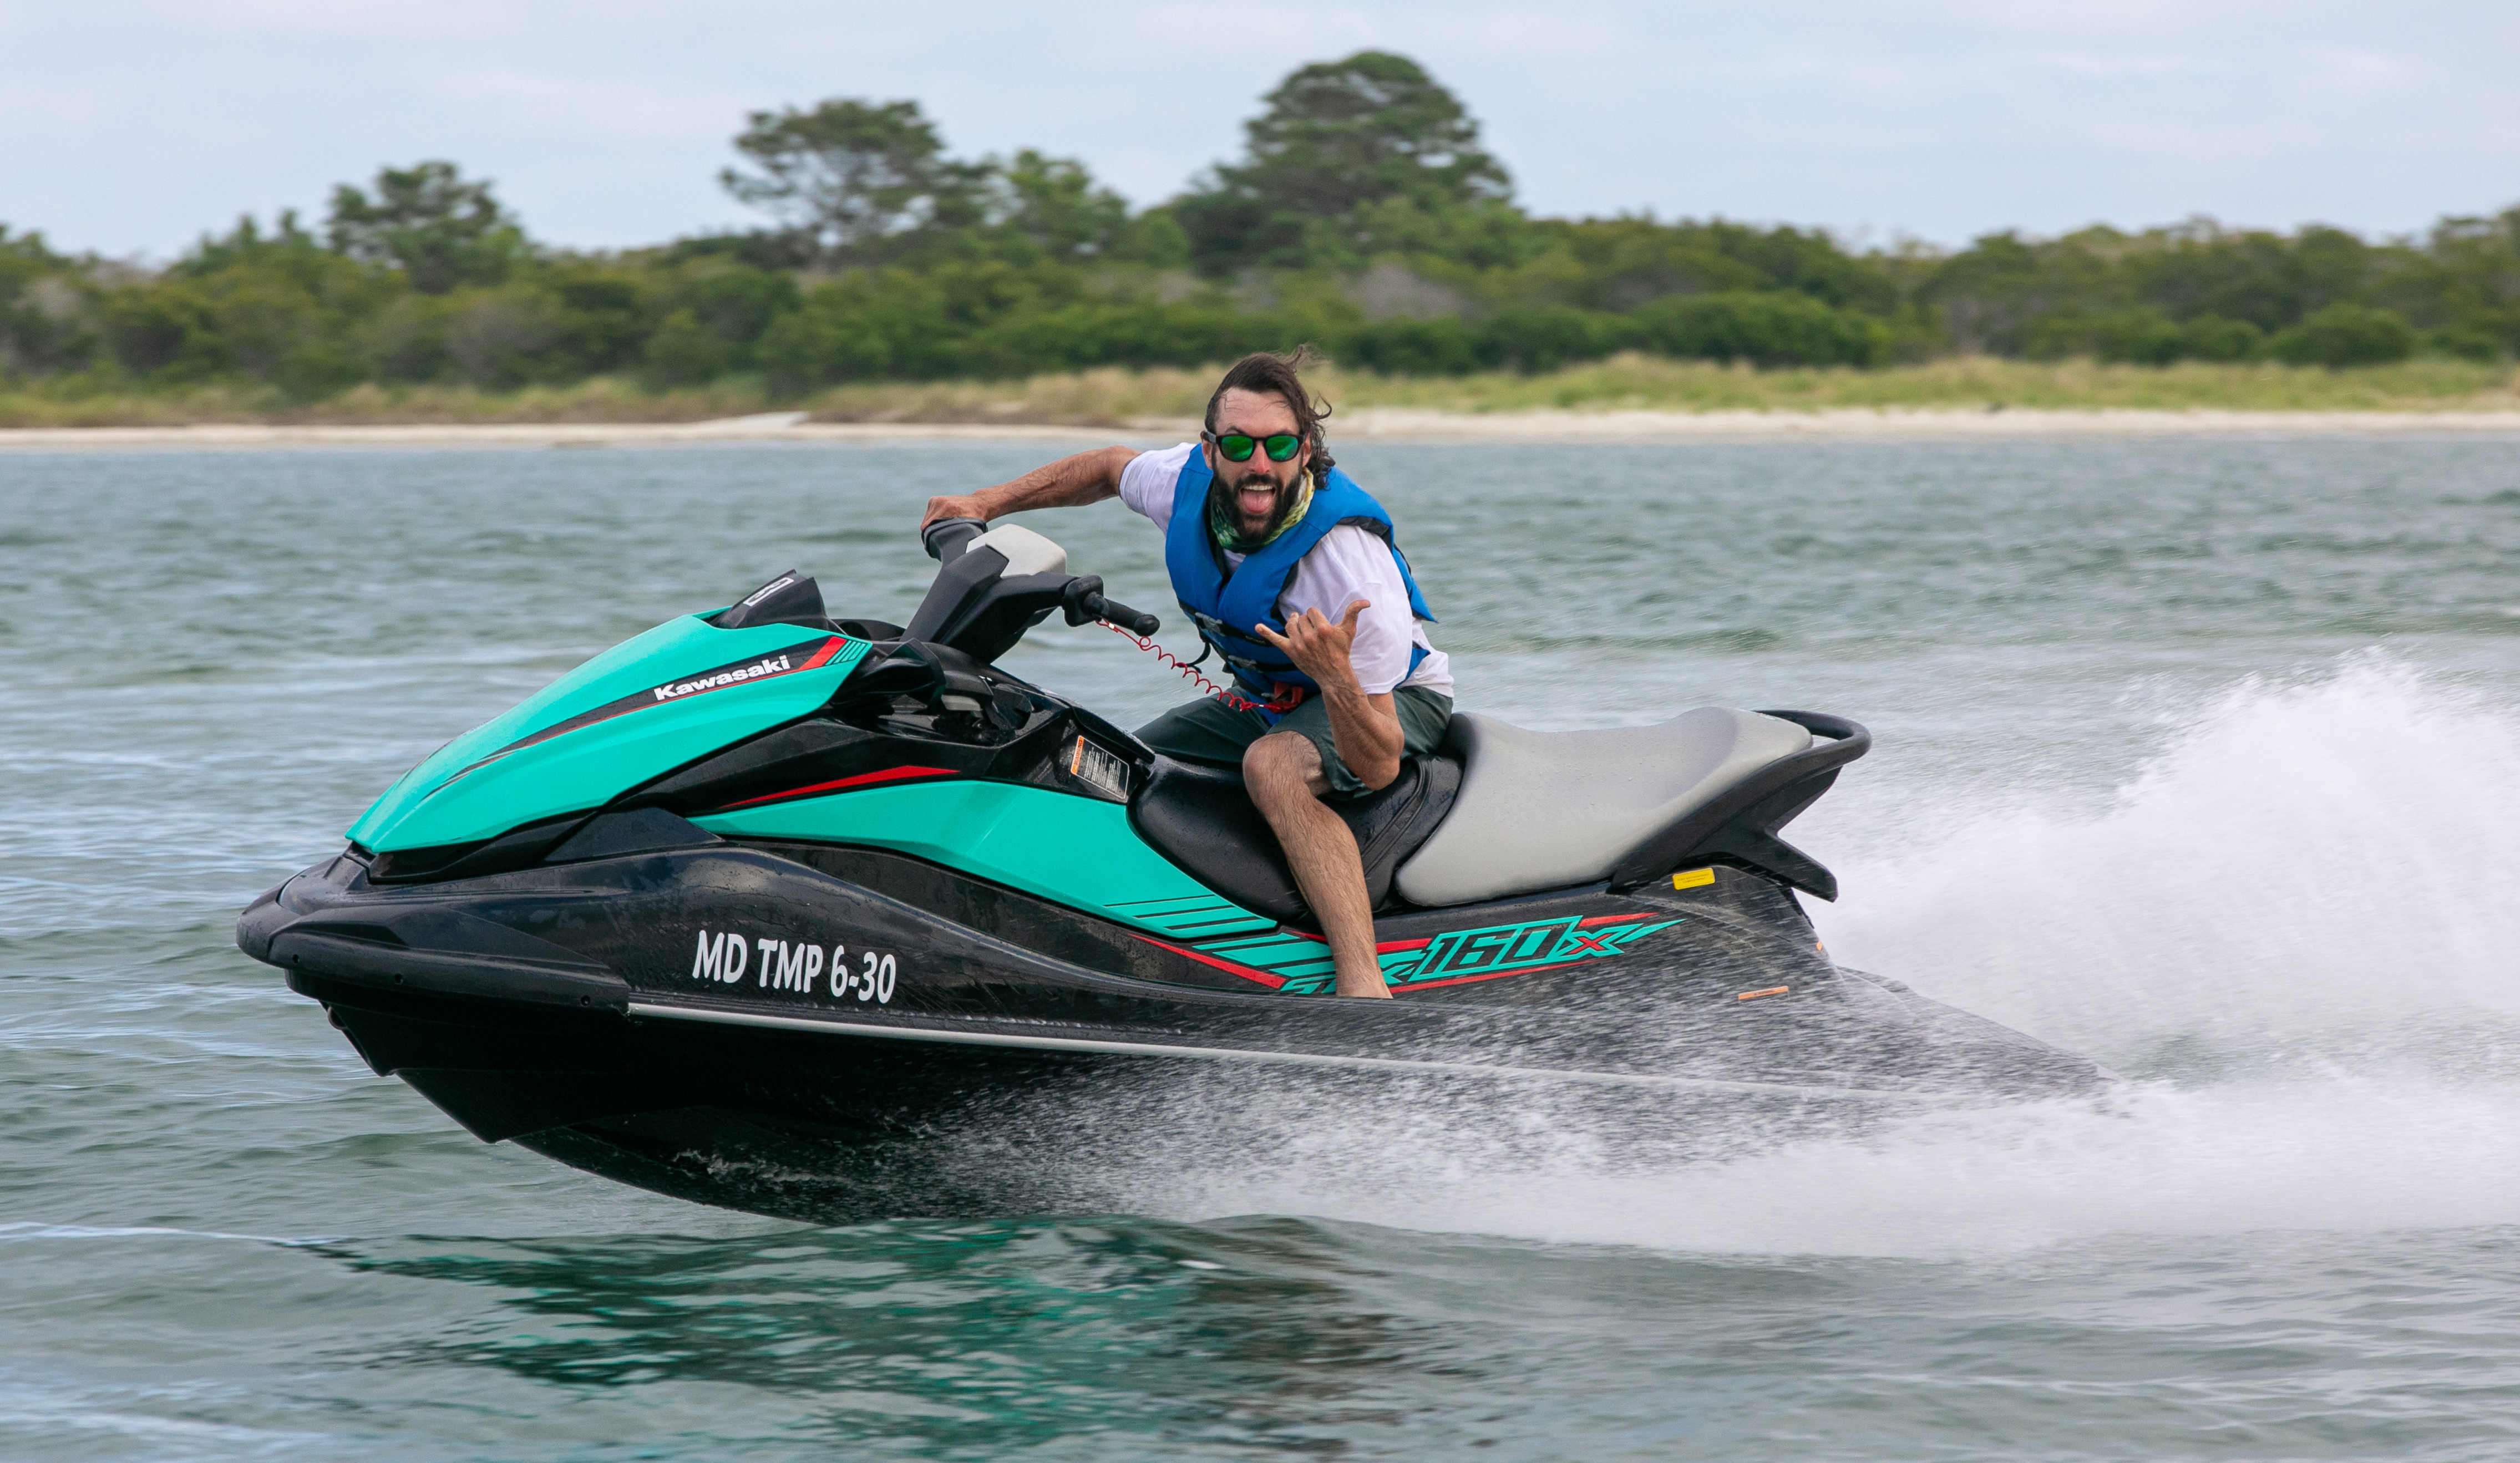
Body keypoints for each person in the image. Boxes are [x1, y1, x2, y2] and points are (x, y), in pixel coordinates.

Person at [920, 350, 1452, 999]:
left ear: (1305, 452)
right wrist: (985, 501)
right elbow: (1107, 467)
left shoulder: (1348, 572)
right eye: (1239, 444)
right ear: (1209, 451)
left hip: (1387, 699)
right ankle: (1135, 945)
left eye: (1279, 444)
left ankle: (1363, 984)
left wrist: (1336, 678)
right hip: (1273, 695)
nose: (1259, 463)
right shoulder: (1181, 483)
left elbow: (1380, 763)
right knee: (1106, 764)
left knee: (1273, 767)